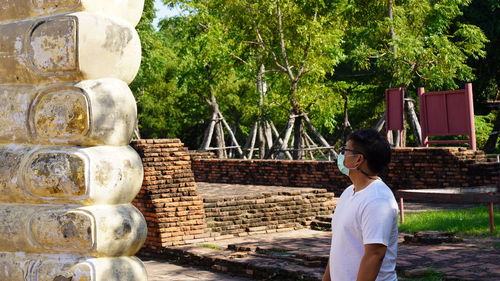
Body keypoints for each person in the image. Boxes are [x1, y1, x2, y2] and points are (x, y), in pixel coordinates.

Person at [322, 129, 399, 281]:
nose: (342, 155)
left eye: (345, 150)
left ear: (358, 159)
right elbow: (339, 248)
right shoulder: (349, 192)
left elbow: (374, 255)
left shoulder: (377, 200)